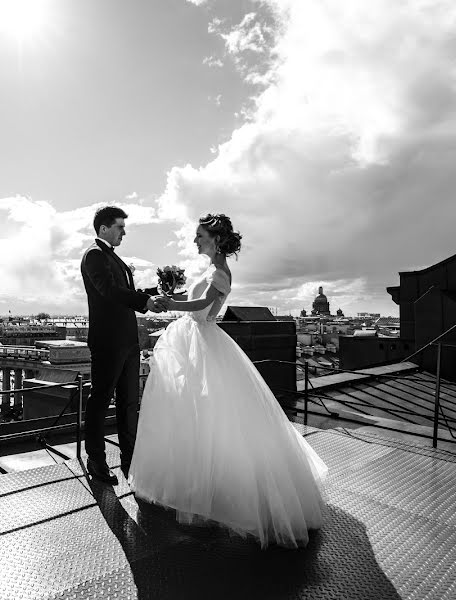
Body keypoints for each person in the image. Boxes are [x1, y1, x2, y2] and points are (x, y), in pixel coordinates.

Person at [129, 214, 328, 548]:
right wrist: (172, 301)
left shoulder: (220, 272)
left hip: (202, 343)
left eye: (199, 236)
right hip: (195, 341)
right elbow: (196, 304)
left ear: (215, 240)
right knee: (196, 416)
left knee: (209, 416)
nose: (195, 241)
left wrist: (168, 303)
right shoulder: (212, 270)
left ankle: (213, 490)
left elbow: (202, 306)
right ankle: (200, 485)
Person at [80, 206, 167, 485]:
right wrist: (145, 302)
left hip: (128, 342)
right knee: (100, 402)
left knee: (130, 404)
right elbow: (109, 291)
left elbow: (126, 293)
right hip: (108, 342)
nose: (124, 232)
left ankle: (130, 461)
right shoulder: (94, 256)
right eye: (120, 227)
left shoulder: (112, 258)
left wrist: (159, 291)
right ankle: (96, 461)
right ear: (103, 228)